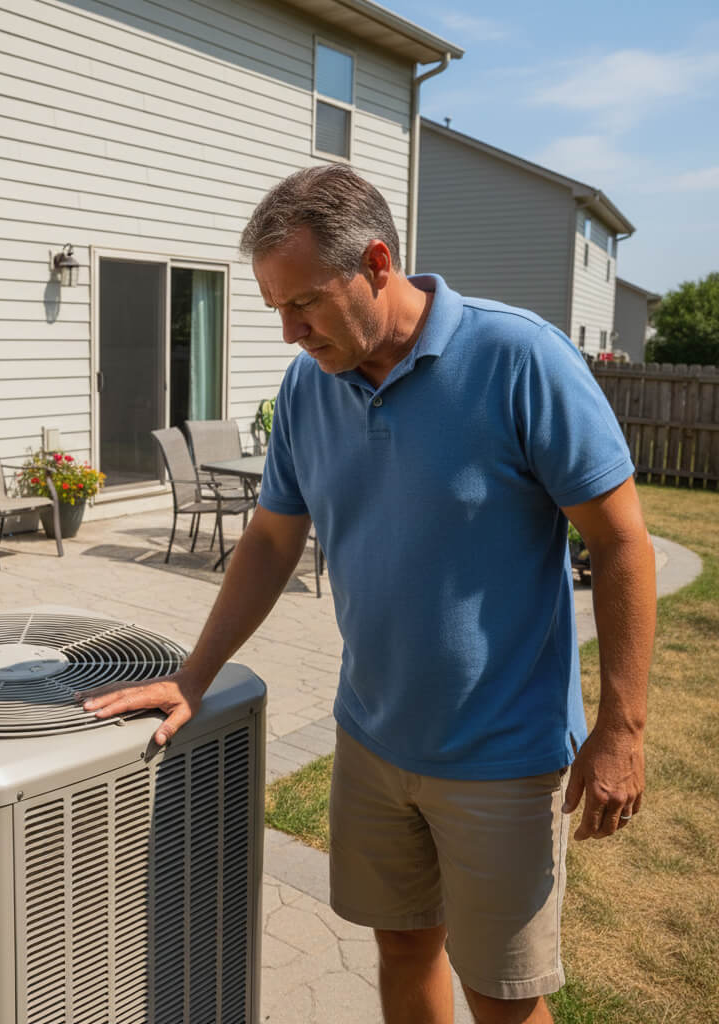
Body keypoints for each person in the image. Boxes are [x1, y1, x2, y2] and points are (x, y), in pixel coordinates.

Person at [81, 165, 657, 1024]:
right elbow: (273, 540)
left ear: (377, 264)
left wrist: (622, 728)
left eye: (303, 303)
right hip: (373, 739)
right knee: (402, 945)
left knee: (501, 996)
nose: (288, 331)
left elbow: (620, 542)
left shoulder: (519, 358)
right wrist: (195, 673)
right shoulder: (309, 387)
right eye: (275, 307)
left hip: (502, 754)